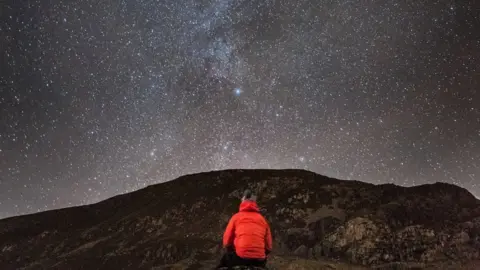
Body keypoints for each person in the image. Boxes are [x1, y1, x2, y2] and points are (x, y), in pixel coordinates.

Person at [216, 189, 273, 269]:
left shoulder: (236, 217)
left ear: (242, 201)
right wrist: (259, 254)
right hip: (259, 261)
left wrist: (231, 249)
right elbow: (269, 247)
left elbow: (227, 241)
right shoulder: (262, 220)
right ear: (255, 203)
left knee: (225, 260)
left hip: (240, 258)